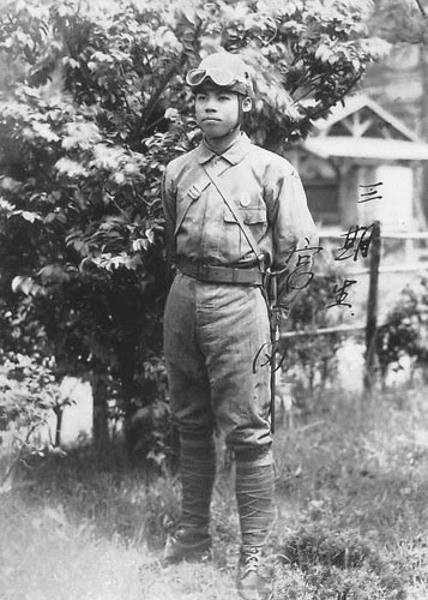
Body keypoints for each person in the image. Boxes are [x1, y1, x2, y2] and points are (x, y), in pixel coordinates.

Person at [161, 51, 318, 600]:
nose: (209, 107)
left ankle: (254, 555)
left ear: (242, 106)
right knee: (188, 421)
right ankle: (192, 535)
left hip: (241, 302)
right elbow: (170, 237)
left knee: (248, 433)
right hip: (184, 295)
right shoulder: (178, 170)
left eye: (222, 98)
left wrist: (275, 306)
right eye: (202, 98)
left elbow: (301, 250)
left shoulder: (273, 169)